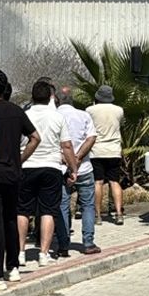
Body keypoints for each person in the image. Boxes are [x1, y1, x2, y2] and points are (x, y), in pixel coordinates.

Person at [0, 69, 39, 283]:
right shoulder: (16, 111)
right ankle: (13, 266)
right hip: (14, 172)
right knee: (10, 219)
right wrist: (20, 158)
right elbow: (35, 137)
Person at [19, 80, 78, 269]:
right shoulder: (57, 117)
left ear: (33, 96)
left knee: (22, 211)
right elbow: (66, 146)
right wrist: (73, 168)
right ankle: (43, 254)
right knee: (48, 211)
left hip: (27, 166)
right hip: (51, 167)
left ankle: (19, 253)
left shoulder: (24, 115)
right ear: (51, 97)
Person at [56, 86, 99, 256]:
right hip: (85, 168)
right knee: (88, 205)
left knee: (63, 206)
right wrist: (79, 157)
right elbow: (92, 137)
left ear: (56, 100)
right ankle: (88, 243)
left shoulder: (54, 116)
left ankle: (63, 244)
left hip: (61, 168)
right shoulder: (84, 115)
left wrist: (68, 160)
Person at [86, 85, 127, 225]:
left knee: (98, 182)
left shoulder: (90, 110)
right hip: (114, 150)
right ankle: (119, 213)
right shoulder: (119, 110)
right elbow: (121, 124)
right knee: (114, 182)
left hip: (96, 150)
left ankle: (97, 215)